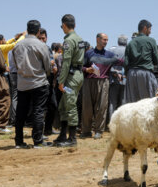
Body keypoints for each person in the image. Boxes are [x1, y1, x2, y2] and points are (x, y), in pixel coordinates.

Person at [12, 20, 51, 148]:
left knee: (21, 112)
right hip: (38, 82)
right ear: (39, 31)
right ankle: (38, 141)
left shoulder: (17, 45)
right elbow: (47, 66)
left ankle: (19, 141)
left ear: (27, 29)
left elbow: (16, 65)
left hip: (22, 83)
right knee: (38, 111)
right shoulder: (41, 45)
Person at [54, 14, 85, 147]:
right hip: (78, 75)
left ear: (65, 25)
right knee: (63, 105)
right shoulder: (80, 39)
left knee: (70, 105)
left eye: (62, 26)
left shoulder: (68, 41)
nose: (62, 29)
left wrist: (61, 81)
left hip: (70, 77)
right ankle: (62, 135)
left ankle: (72, 139)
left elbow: (66, 63)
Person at [81, 33, 118, 139]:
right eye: (104, 39)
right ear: (97, 39)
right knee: (87, 107)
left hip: (103, 82)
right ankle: (86, 130)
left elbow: (120, 61)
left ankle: (99, 131)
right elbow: (81, 66)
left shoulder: (110, 55)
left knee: (101, 107)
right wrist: (86, 69)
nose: (106, 42)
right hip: (89, 82)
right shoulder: (88, 53)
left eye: (107, 40)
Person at [124, 19, 158, 103]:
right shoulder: (151, 41)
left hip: (132, 74)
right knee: (149, 101)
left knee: (133, 102)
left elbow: (126, 62)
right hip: (145, 73)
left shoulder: (130, 43)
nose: (150, 32)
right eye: (150, 29)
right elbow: (156, 60)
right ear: (145, 28)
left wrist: (127, 74)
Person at [38, 28, 59, 136]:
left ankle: (48, 129)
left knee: (53, 105)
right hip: (40, 80)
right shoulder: (36, 48)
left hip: (49, 80)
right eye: (40, 38)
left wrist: (54, 67)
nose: (42, 40)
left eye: (44, 38)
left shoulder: (48, 48)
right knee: (40, 108)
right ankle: (39, 131)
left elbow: (53, 62)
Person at [107, 35, 127, 125]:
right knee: (123, 101)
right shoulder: (128, 50)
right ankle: (122, 123)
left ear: (118, 41)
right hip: (125, 78)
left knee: (112, 102)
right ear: (126, 42)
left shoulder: (111, 50)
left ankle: (112, 123)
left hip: (113, 77)